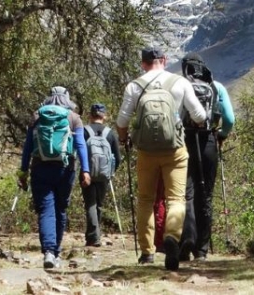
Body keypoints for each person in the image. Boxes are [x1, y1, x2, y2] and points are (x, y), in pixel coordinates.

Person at [116, 46, 206, 271]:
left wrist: (123, 138)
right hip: (175, 149)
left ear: (142, 63)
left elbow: (122, 120)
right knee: (176, 198)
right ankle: (172, 238)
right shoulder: (180, 83)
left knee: (145, 200)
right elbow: (199, 115)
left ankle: (147, 253)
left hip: (146, 151)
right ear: (164, 60)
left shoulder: (134, 86)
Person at [17, 86, 91, 269]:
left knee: (45, 209)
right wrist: (86, 170)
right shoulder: (74, 118)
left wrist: (23, 172)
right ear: (67, 99)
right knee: (60, 209)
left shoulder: (37, 116)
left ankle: (49, 252)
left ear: (49, 98)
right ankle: (54, 252)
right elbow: (81, 145)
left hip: (39, 168)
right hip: (65, 170)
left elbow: (27, 148)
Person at [179, 52, 235, 261]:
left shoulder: (181, 85)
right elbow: (229, 119)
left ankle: (187, 239)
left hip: (185, 141)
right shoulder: (216, 86)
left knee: (186, 192)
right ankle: (202, 250)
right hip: (209, 141)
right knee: (206, 194)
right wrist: (221, 135)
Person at [82, 103, 121, 247]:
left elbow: (79, 151)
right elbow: (118, 157)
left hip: (88, 173)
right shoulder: (110, 133)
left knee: (90, 204)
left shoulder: (84, 131)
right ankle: (94, 235)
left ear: (90, 115)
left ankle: (93, 237)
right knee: (98, 204)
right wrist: (110, 172)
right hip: (104, 174)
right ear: (104, 116)